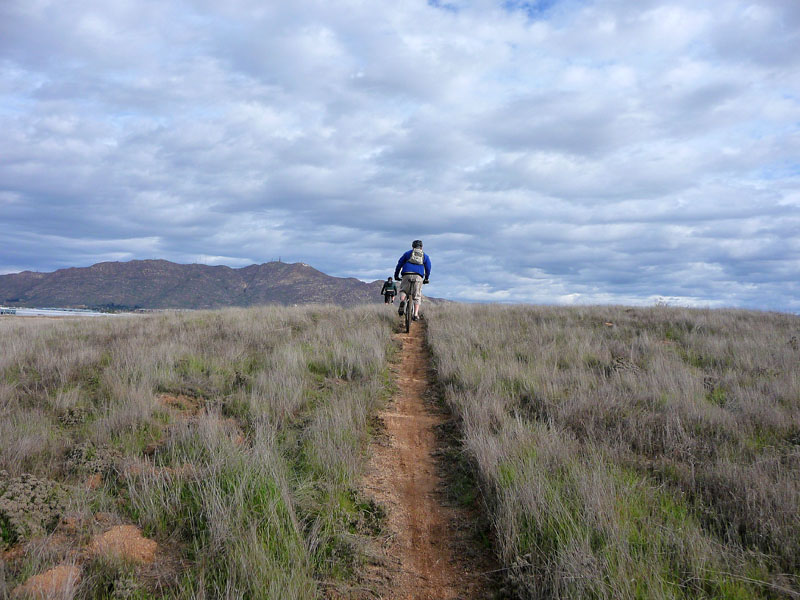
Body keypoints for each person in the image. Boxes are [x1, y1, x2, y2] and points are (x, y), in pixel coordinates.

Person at [394, 240, 431, 321]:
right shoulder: (425, 256)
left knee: (403, 290)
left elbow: (399, 264)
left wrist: (396, 275)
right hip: (418, 276)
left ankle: (403, 301)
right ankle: (415, 314)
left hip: (406, 274)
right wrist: (426, 278)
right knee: (417, 295)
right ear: (421, 247)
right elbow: (428, 268)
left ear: (412, 246)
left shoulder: (407, 253)